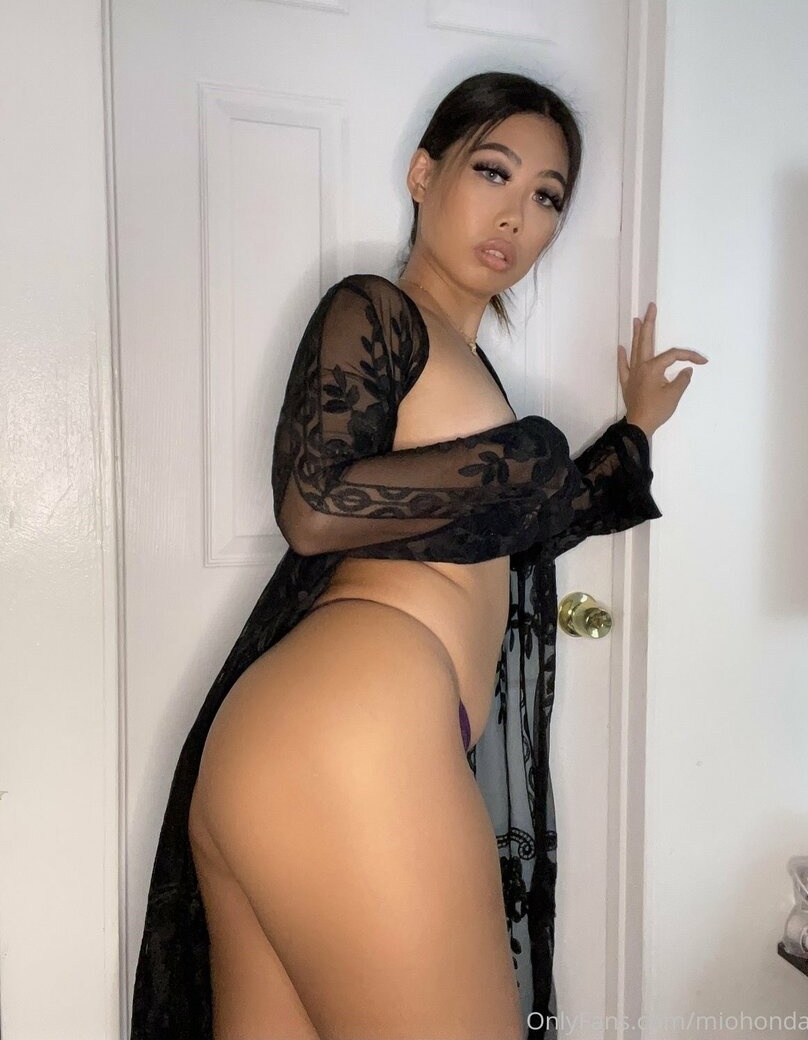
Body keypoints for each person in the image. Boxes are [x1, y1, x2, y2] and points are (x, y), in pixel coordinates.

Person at [129, 71, 707, 1040]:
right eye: (493, 171)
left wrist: (633, 429)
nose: (516, 214)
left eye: (547, 196)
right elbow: (315, 504)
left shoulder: (468, 368)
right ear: (423, 174)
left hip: (300, 746)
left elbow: (533, 519)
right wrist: (527, 454)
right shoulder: (378, 311)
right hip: (356, 727)